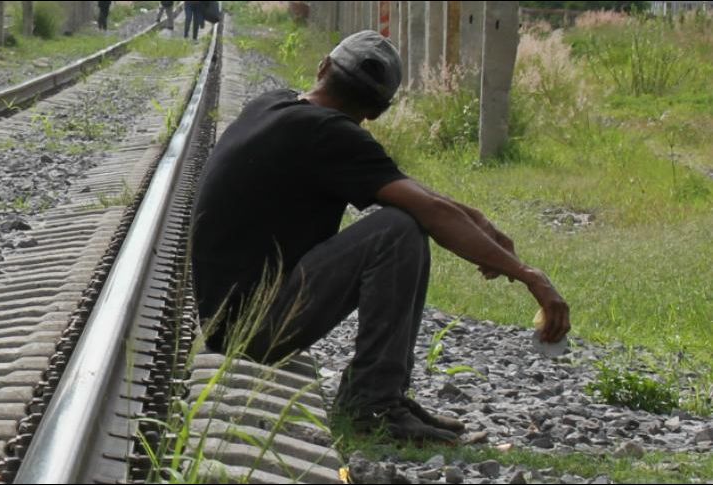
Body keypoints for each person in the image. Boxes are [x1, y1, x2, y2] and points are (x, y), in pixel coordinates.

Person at [190, 30, 571, 443]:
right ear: (379, 111)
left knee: (403, 220)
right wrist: (528, 274)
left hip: (231, 320)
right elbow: (427, 209)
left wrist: (475, 217)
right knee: (398, 230)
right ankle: (372, 406)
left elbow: (416, 192)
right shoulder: (331, 135)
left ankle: (383, 396)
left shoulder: (274, 105)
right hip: (252, 329)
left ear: (323, 68)